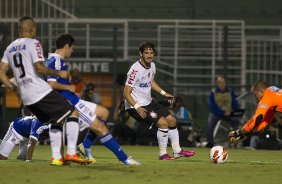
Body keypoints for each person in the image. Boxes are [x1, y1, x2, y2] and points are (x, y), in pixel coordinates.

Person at [45, 33, 141, 165]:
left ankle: (84, 146)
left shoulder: (56, 61)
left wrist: (69, 89)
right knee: (100, 127)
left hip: (72, 99)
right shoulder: (55, 60)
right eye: (72, 48)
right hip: (71, 103)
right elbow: (51, 84)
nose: (72, 51)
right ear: (67, 46)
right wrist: (68, 87)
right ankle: (124, 158)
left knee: (103, 113)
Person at [0, 16, 78, 165]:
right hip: (39, 91)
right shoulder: (33, 43)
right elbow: (40, 68)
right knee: (72, 112)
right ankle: (71, 154)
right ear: (32, 29)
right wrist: (58, 73)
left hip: (26, 98)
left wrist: (14, 88)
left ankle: (57, 158)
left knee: (57, 118)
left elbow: (1, 73)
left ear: (19, 30)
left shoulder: (10, 48)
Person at [123, 41, 195, 160]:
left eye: (151, 52)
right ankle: (163, 154)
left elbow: (150, 81)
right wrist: (137, 107)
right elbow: (126, 92)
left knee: (172, 120)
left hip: (148, 102)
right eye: (146, 53)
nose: (149, 55)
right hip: (135, 106)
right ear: (141, 54)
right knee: (162, 123)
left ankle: (177, 151)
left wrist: (164, 93)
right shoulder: (135, 70)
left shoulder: (152, 65)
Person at [229, 80, 282, 146]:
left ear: (261, 91)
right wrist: (246, 132)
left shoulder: (266, 97)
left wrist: (238, 133)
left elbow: (257, 118)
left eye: (255, 94)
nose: (255, 98)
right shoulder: (273, 92)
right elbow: (265, 120)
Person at [206, 76, 241, 148]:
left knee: (236, 121)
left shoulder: (230, 92)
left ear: (225, 83)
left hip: (229, 113)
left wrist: (232, 111)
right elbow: (212, 107)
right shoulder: (213, 92)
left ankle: (234, 142)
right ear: (217, 84)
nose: (221, 84)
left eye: (223, 82)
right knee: (210, 121)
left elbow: (235, 103)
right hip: (217, 114)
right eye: (219, 83)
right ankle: (210, 142)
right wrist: (222, 113)